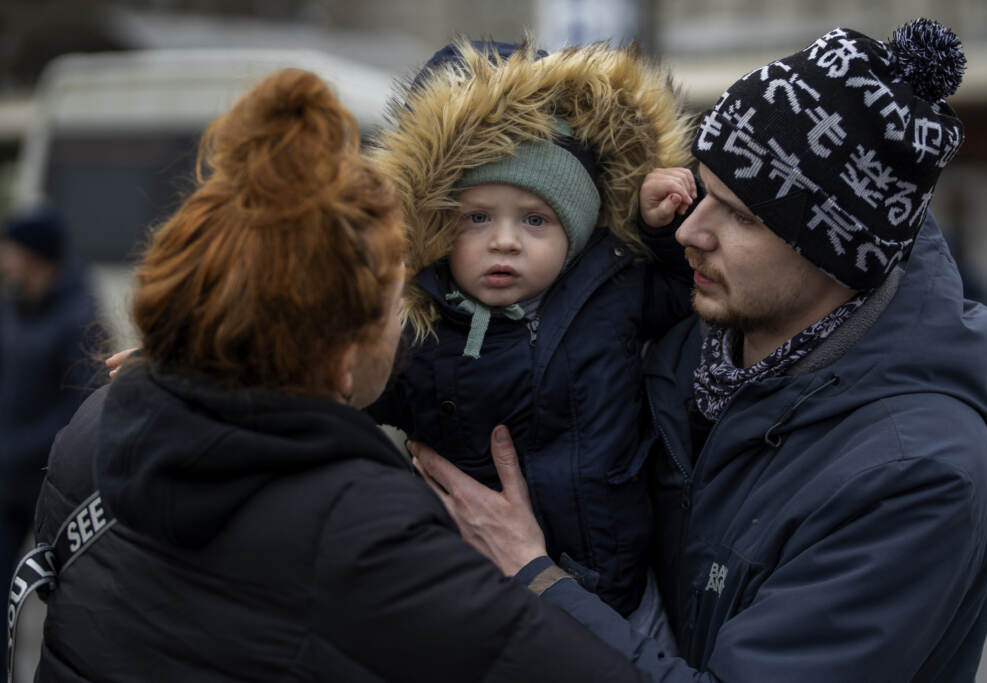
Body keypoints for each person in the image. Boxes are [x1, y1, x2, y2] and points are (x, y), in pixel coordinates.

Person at [413, 19, 987, 682]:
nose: (692, 228)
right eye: (702, 188)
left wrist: (536, 577)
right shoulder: (691, 349)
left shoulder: (917, 473)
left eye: (741, 214)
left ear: (832, 252)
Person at [27, 69, 647, 682]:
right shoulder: (367, 528)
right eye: (391, 303)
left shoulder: (94, 427)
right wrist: (534, 571)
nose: (406, 328)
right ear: (342, 348)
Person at [366, 38, 697, 632]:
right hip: (471, 595)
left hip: (622, 594)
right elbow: (343, 389)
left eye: (536, 220)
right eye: (477, 218)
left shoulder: (615, 286)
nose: (505, 241)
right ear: (436, 224)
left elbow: (687, 294)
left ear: (576, 230)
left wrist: (664, 229)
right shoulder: (421, 323)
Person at [0, 204, 100, 594]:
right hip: (7, 484)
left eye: (10, 247)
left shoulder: (79, 316)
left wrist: (14, 447)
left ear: (33, 255)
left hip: (51, 486)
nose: (4, 257)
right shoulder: (14, 306)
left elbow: (82, 406)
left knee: (60, 595)